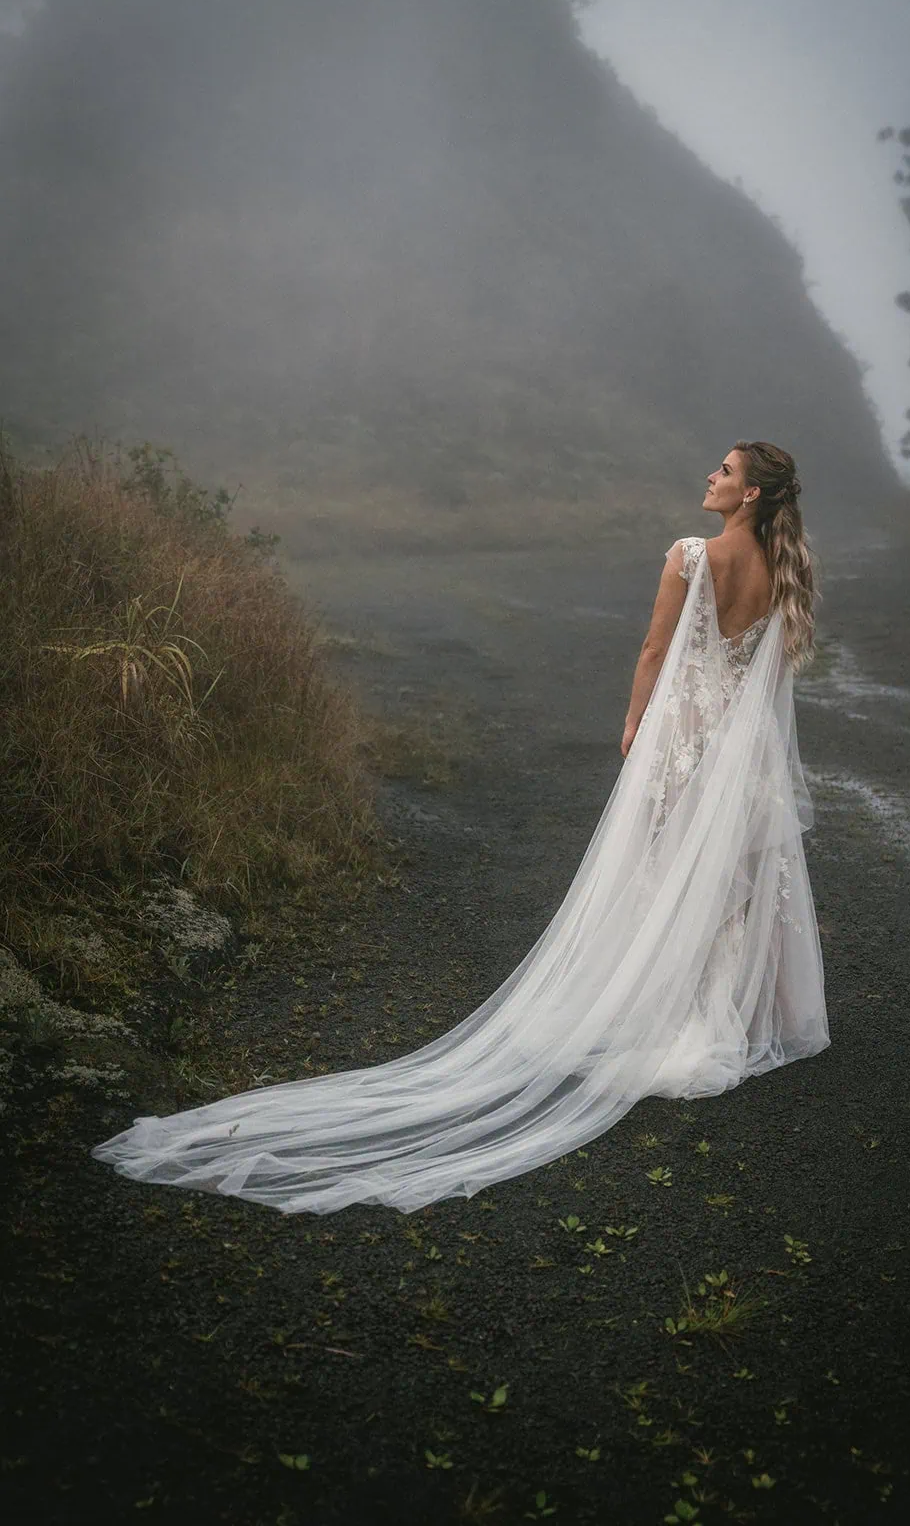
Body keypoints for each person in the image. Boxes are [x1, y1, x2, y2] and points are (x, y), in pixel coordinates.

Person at [92, 440, 830, 1216]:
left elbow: (655, 647)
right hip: (735, 742)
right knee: (728, 871)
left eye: (723, 471)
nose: (709, 477)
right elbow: (766, 676)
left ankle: (675, 1012)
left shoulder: (690, 555)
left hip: (682, 732)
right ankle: (740, 1013)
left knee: (663, 867)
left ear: (748, 495)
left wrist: (635, 719)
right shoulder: (786, 565)